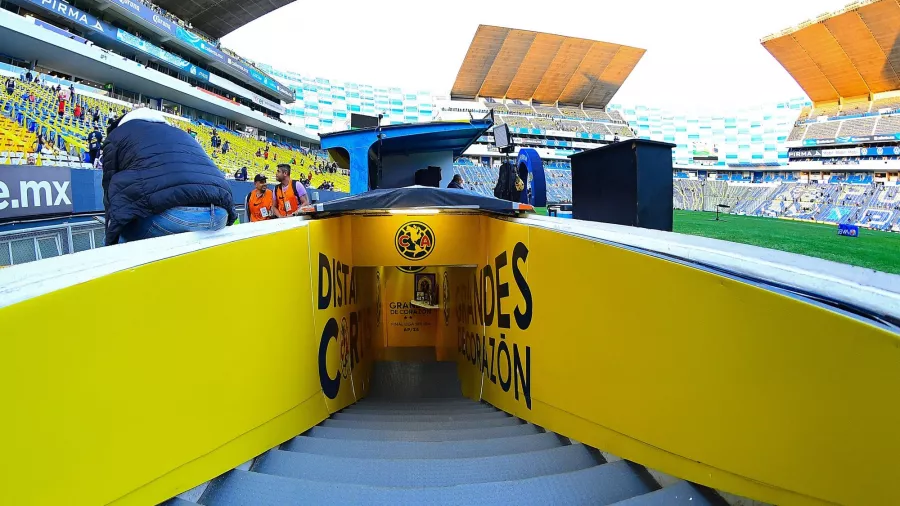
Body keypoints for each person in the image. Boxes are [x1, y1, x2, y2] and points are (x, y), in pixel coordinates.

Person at [102, 107, 237, 244]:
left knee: (123, 231)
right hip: (220, 216)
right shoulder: (181, 133)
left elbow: (110, 191)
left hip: (174, 218)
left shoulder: (117, 135)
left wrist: (110, 241)